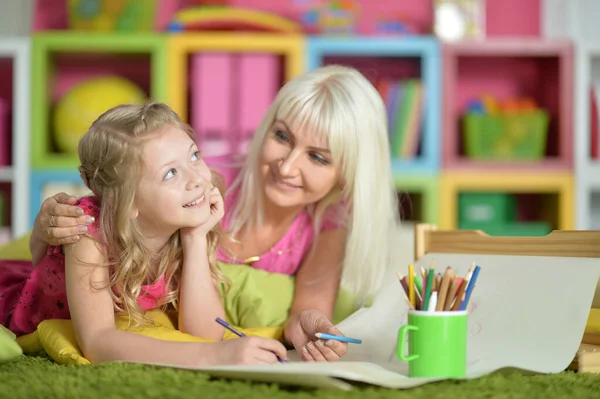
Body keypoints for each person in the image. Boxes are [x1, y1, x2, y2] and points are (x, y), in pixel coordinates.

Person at [29, 65, 401, 362]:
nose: (287, 167)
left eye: (318, 157)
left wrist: (310, 325)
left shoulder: (328, 219)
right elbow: (121, 191)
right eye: (282, 137)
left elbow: (304, 309)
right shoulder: (201, 184)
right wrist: (47, 222)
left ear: (348, 174)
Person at [0, 102, 288, 366]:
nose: (197, 178)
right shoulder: (90, 235)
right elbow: (98, 343)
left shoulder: (185, 220)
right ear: (129, 204)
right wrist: (218, 356)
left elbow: (206, 331)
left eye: (194, 155)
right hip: (16, 304)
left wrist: (196, 238)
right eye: (171, 173)